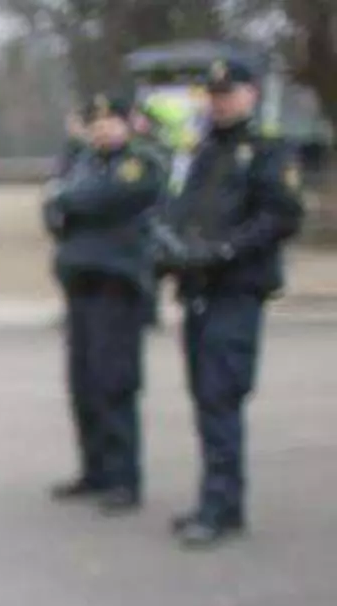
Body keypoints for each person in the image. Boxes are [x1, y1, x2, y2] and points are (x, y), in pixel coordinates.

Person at [152, 56, 304, 548]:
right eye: (213, 95)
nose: (219, 102)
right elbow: (183, 208)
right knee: (204, 393)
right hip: (200, 287)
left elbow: (281, 216)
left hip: (237, 287)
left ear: (250, 94)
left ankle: (220, 505)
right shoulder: (203, 149)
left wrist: (226, 248)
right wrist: (172, 247)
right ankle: (220, 501)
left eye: (228, 92)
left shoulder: (266, 151)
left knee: (221, 393)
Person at [41, 93, 165, 514]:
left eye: (111, 121)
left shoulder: (139, 163)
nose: (102, 129)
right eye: (95, 123)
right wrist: (66, 200)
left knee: (115, 382)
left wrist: (69, 199)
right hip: (81, 283)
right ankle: (94, 469)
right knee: (84, 382)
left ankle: (123, 477)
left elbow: (101, 199)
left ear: (128, 124)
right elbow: (55, 210)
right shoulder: (83, 163)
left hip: (118, 286)